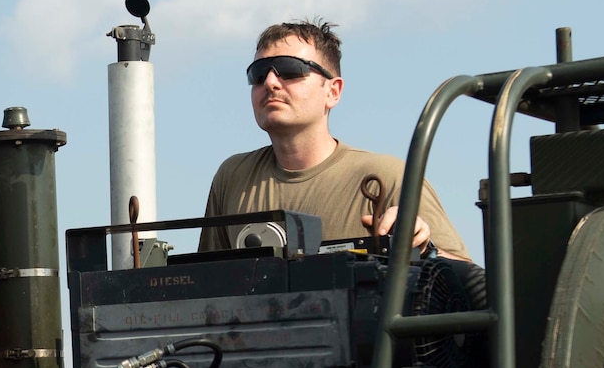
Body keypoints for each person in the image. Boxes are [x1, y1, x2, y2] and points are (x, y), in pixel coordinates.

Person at [199, 19, 470, 261]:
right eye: (258, 74)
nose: (270, 82)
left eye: (290, 70)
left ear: (333, 91)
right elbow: (203, 284)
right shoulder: (233, 177)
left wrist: (426, 249)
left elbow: (468, 280)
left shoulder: (388, 176)